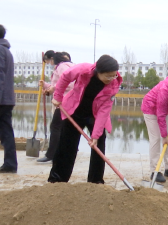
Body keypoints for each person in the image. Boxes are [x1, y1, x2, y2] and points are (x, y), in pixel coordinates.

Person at [48, 55, 122, 184]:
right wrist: (58, 96)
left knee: (98, 144)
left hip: (95, 115)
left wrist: (96, 135)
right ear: (98, 71)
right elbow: (65, 77)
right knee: (67, 145)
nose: (111, 79)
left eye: (114, 75)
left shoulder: (113, 85)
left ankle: (96, 181)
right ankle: (57, 179)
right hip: (74, 110)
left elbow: (104, 111)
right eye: (108, 76)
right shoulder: (83, 69)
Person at [37, 51, 75, 163]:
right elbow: (59, 85)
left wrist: (53, 88)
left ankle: (52, 155)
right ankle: (59, 154)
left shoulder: (62, 67)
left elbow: (69, 84)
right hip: (65, 101)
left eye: (48, 61)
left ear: (52, 59)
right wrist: (46, 86)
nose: (49, 64)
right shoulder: (64, 66)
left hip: (65, 102)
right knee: (62, 129)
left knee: (56, 127)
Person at [0, 24, 17, 173]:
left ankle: (10, 163)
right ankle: (10, 164)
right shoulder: (6, 51)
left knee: (6, 132)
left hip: (1, 99)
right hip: (6, 99)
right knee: (6, 132)